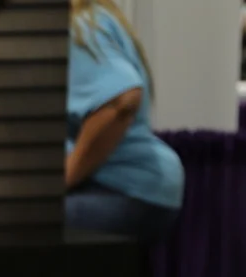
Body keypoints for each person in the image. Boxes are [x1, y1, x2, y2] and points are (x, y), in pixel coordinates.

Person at [64, 0, 183, 242]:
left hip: (123, 187)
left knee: (16, 222)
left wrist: (67, 176)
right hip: (146, 185)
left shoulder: (78, 27)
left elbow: (122, 100)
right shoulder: (97, 16)